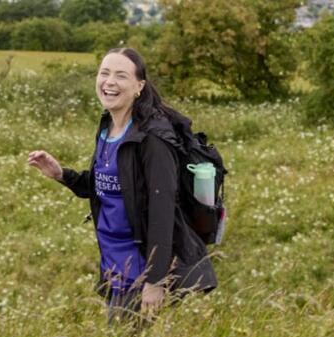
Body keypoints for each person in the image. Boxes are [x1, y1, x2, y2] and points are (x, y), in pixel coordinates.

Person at [28, 47, 216, 322]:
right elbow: (108, 185)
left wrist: (155, 280)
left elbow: (163, 211)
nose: (109, 82)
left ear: (139, 86)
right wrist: (62, 175)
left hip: (140, 271)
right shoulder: (108, 127)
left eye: (121, 75)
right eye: (104, 73)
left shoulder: (153, 139)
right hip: (114, 266)